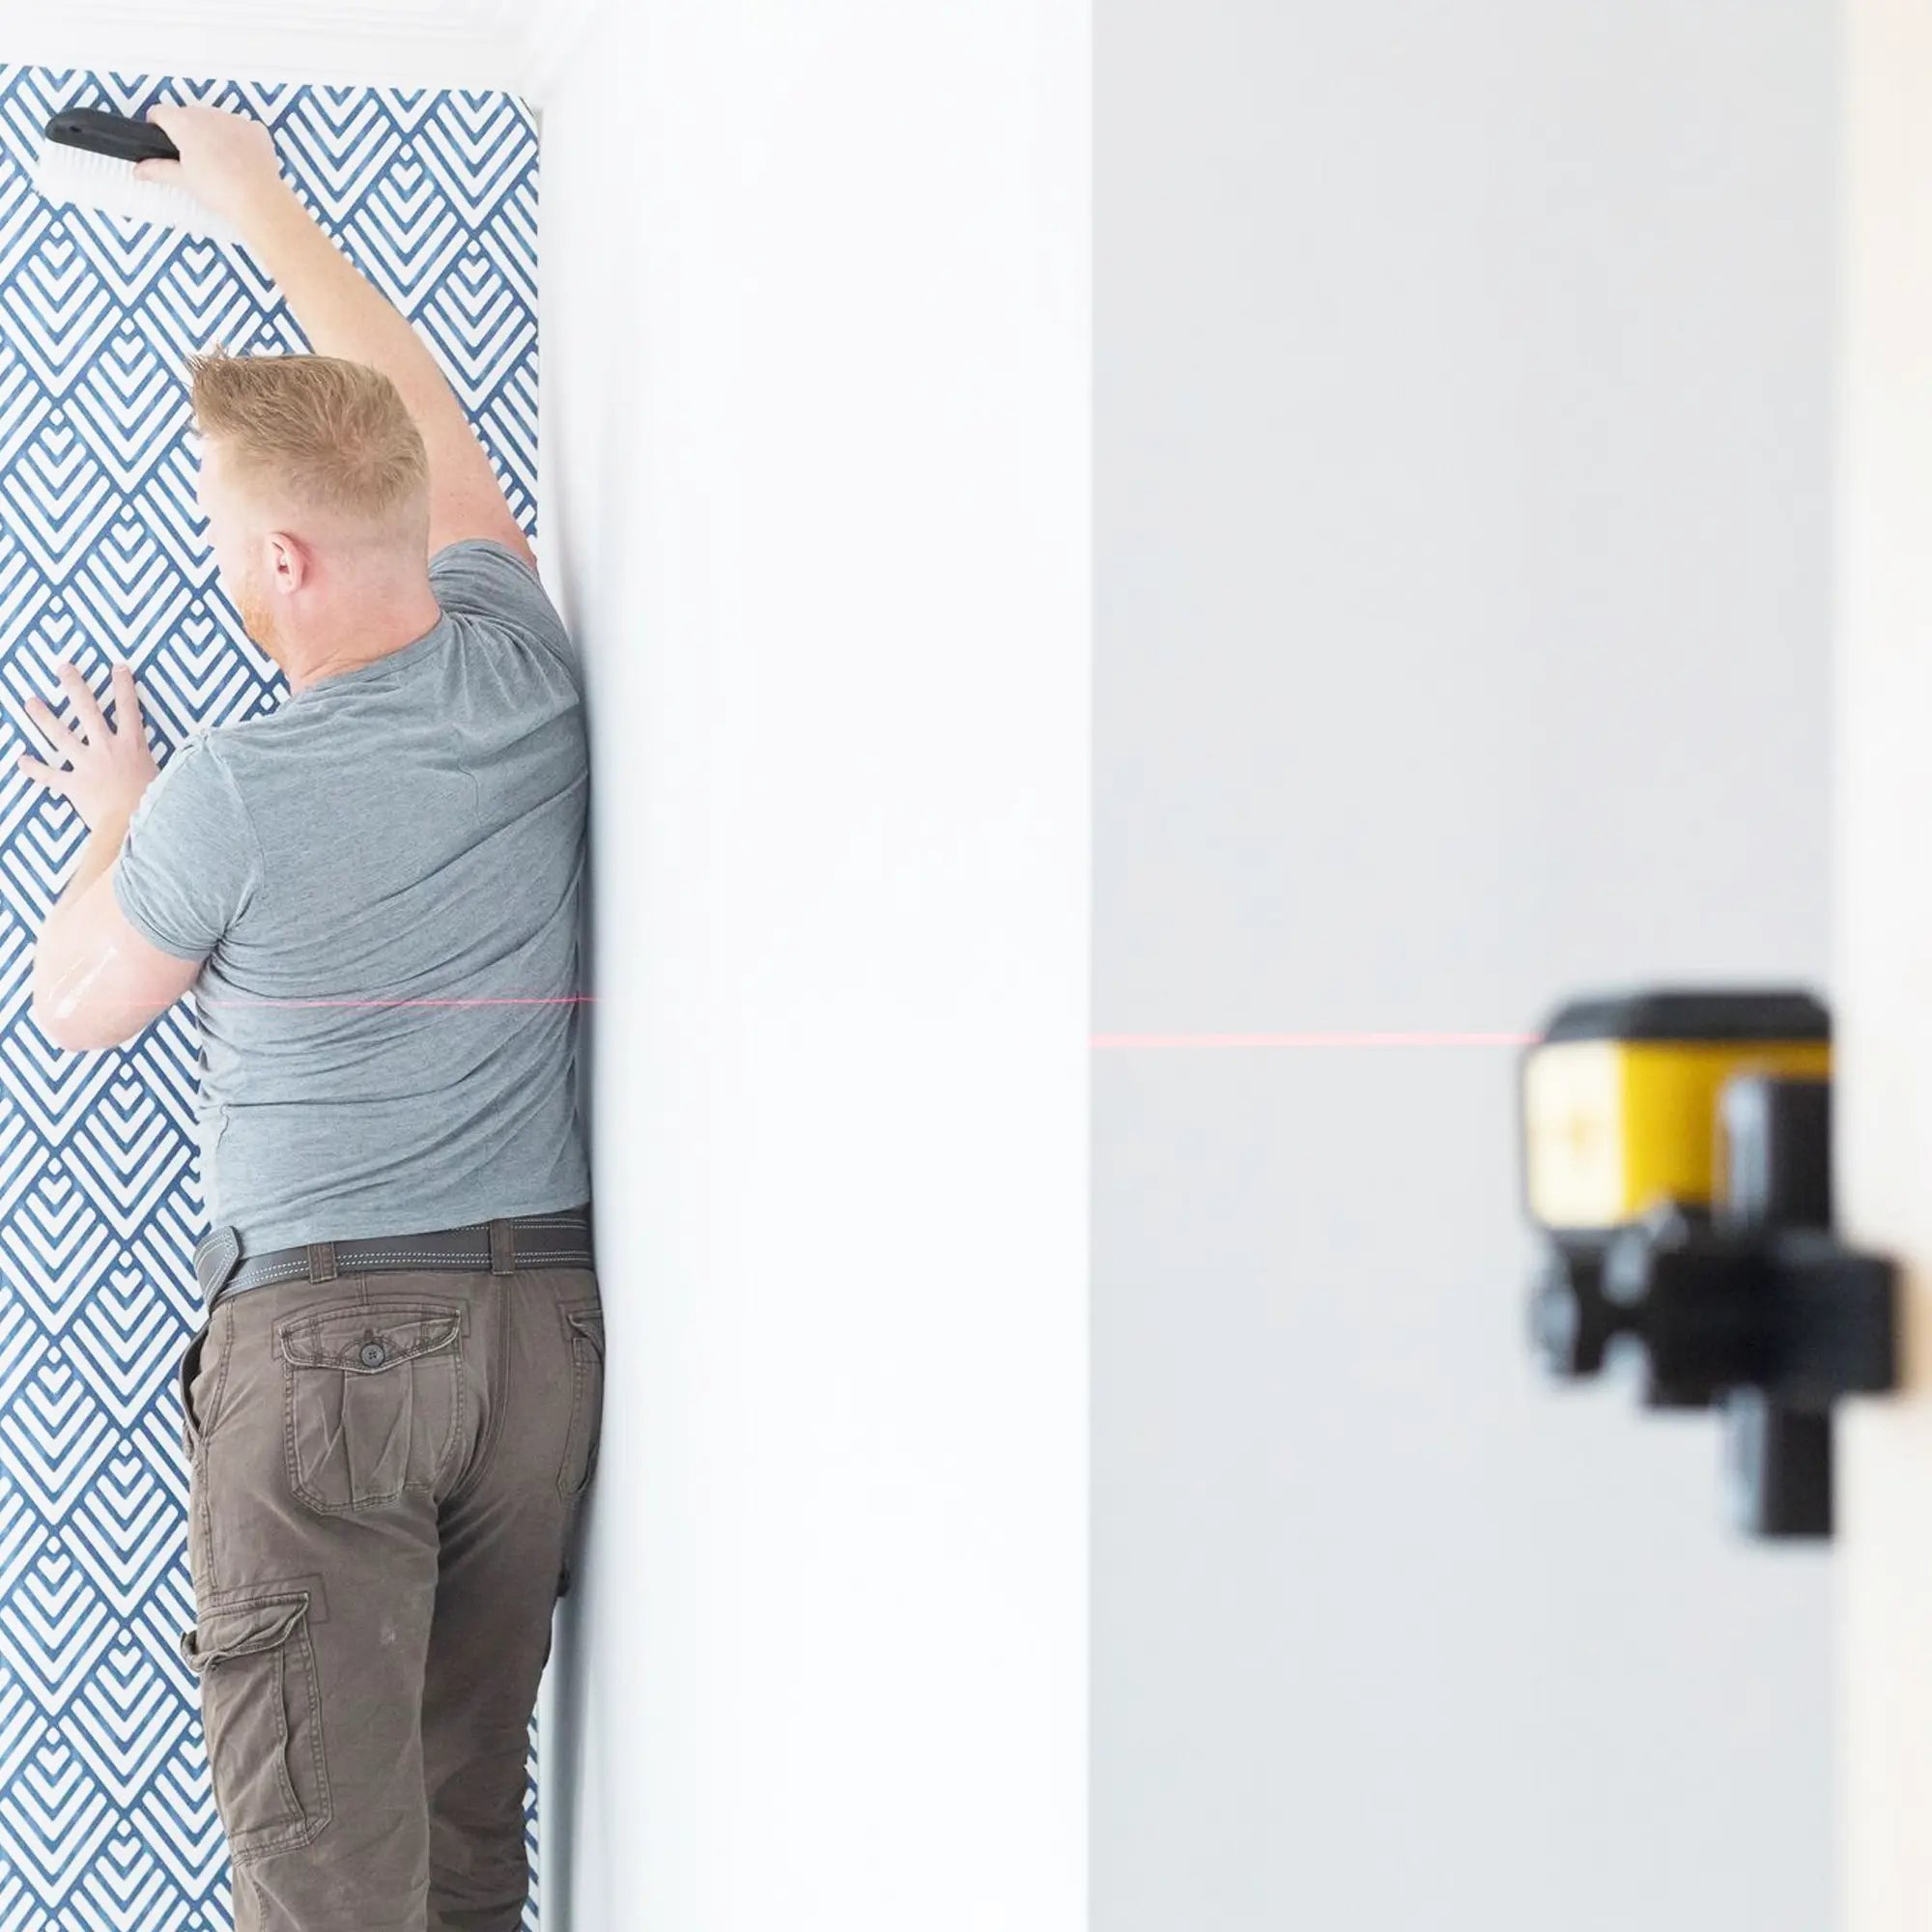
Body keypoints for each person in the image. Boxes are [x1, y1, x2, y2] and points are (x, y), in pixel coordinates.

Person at [17, 101, 602, 1932]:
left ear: (279, 562)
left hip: (334, 1347)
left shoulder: (235, 792)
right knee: (465, 1840)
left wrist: (119, 817)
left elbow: (78, 1005)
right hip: (538, 1340)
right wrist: (261, 202)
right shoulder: (522, 663)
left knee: (327, 1884)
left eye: (223, 532)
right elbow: (420, 425)